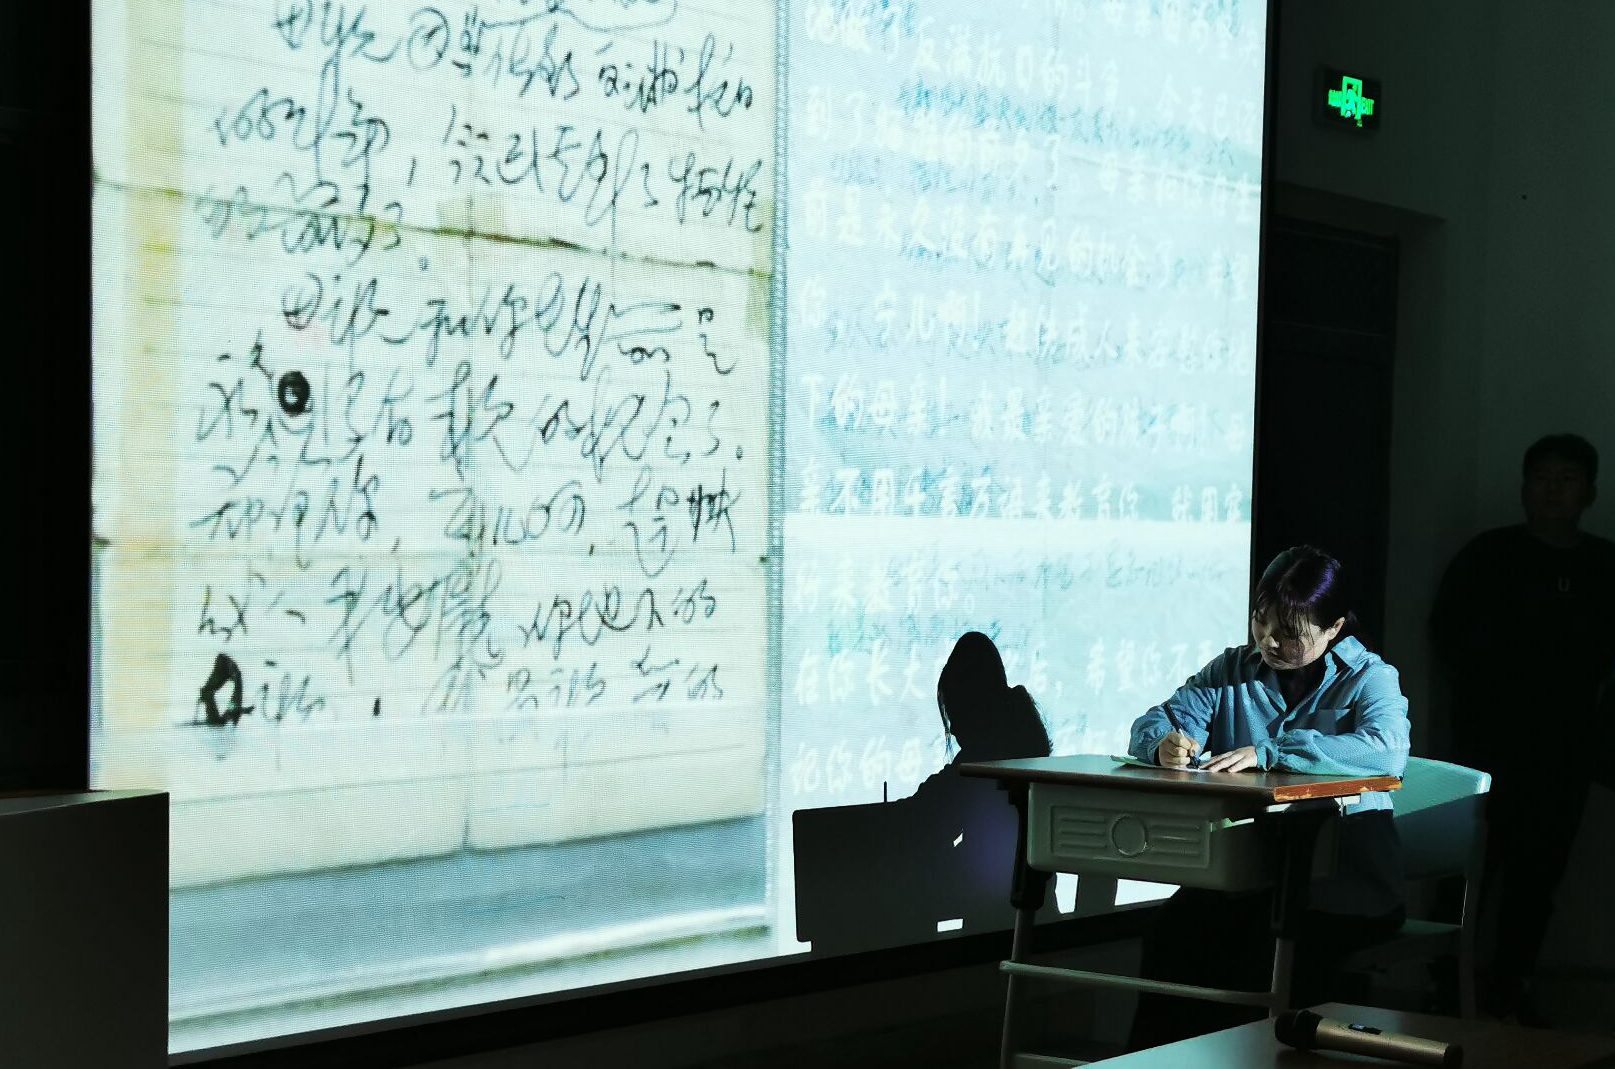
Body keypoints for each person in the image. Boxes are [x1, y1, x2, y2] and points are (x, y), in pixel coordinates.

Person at [1126, 546, 1411, 1050]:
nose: (1269, 641)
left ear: (1334, 628)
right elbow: (1159, 720)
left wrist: (1272, 752)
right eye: (1261, 621)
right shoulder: (1230, 670)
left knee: (1266, 950)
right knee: (1172, 930)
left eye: (1290, 633)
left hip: (1347, 886)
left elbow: (1386, 751)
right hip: (1249, 880)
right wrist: (1163, 744)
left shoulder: (1370, 678)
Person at [1430, 433, 1615, 1019]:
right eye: (1542, 479)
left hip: (1566, 750)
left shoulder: (1603, 566)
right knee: (1468, 867)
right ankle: (1446, 984)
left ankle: (1513, 985)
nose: (1553, 491)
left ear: (1589, 492)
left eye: (1567, 480)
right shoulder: (1489, 556)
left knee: (1539, 875)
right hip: (1486, 747)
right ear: (1524, 487)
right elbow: (1447, 638)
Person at [907, 631, 1053, 929]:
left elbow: (927, 817)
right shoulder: (1024, 743)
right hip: (1040, 923)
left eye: (955, 713)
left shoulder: (982, 763)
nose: (954, 729)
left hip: (992, 930)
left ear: (972, 706)